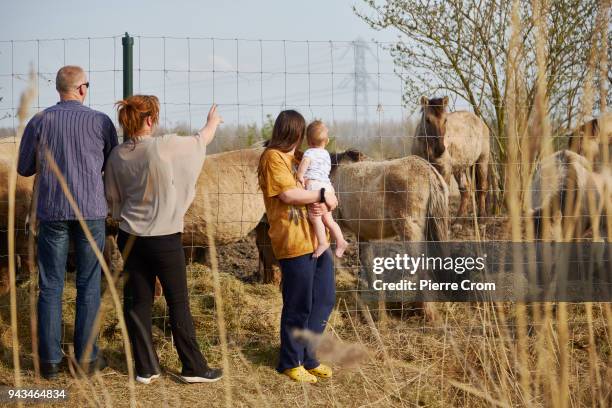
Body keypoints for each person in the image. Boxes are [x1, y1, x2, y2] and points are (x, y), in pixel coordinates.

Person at [104, 95, 223, 385]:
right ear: (149, 120)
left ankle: (146, 368)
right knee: (178, 301)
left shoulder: (117, 155)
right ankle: (193, 367)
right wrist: (213, 122)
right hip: (165, 238)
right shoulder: (162, 145)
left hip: (130, 237)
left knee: (138, 302)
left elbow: (113, 200)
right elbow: (200, 141)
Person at [17, 65, 117, 379]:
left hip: (52, 211)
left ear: (59, 89)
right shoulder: (101, 121)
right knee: (88, 284)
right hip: (90, 211)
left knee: (50, 285)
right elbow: (112, 163)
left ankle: (48, 362)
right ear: (82, 89)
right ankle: (86, 360)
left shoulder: (39, 121)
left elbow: (23, 168)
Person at [257, 110, 337, 384]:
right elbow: (288, 195)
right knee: (299, 303)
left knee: (324, 298)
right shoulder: (272, 158)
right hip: (293, 241)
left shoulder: (301, 157)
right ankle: (290, 361)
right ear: (294, 132)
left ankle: (309, 356)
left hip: (317, 239)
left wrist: (329, 196)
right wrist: (322, 195)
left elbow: (322, 181)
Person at [296, 120, 348, 258]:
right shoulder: (326, 154)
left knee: (314, 216)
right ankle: (341, 240)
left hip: (315, 185)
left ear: (308, 140)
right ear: (327, 140)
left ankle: (322, 242)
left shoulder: (309, 153)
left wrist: (300, 176)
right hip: (327, 186)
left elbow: (305, 164)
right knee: (329, 219)